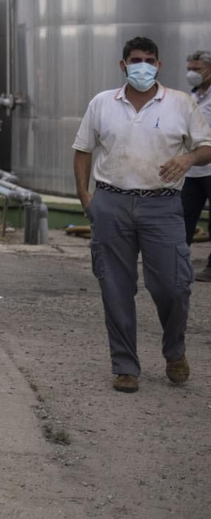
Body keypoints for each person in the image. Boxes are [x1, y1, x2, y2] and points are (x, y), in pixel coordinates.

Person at [73, 36, 211, 392]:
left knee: (173, 285)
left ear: (159, 65)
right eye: (136, 60)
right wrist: (86, 197)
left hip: (163, 205)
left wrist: (188, 157)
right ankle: (125, 366)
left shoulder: (180, 103)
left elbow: (206, 146)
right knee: (115, 287)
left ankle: (174, 350)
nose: (143, 66)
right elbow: (83, 150)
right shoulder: (103, 103)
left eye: (150, 60)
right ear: (123, 65)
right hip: (111, 202)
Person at [182, 49, 211, 283]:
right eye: (189, 69)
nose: (192, 73)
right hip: (193, 169)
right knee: (183, 218)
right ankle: (177, 263)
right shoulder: (190, 97)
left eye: (197, 69)